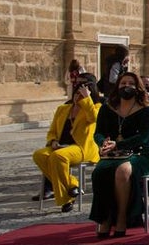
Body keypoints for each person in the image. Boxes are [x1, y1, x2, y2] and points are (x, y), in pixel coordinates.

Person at [89, 72, 149, 237]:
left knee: (123, 171)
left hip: (140, 153)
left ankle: (121, 218)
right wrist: (103, 143)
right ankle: (105, 219)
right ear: (117, 86)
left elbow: (143, 137)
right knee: (100, 172)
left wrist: (118, 144)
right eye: (123, 83)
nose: (126, 86)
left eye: (131, 83)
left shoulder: (147, 110)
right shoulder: (107, 108)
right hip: (114, 153)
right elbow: (98, 133)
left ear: (137, 87)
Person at [33, 72, 101, 212]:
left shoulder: (96, 107)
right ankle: (72, 186)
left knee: (58, 157)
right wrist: (53, 141)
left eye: (81, 94)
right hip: (61, 145)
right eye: (77, 94)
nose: (78, 97)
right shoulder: (63, 109)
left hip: (81, 147)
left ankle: (66, 199)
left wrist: (86, 99)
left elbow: (93, 118)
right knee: (40, 155)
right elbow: (52, 130)